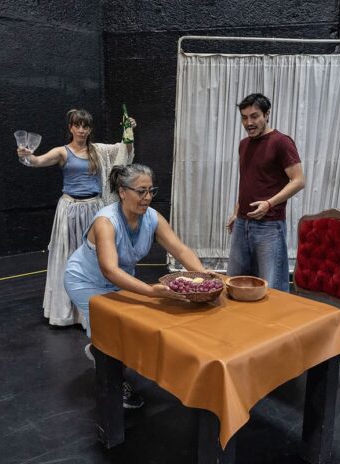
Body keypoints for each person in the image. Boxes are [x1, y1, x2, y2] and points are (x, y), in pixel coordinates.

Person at [63, 163, 209, 408]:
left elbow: (181, 250)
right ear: (122, 192)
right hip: (85, 281)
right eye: (141, 191)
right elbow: (110, 269)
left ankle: (102, 352)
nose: (148, 197)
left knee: (129, 327)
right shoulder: (106, 222)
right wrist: (151, 291)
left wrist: (204, 277)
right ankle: (113, 380)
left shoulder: (152, 218)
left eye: (151, 191)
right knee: (112, 327)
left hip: (121, 279)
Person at [17, 109, 135, 329]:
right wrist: (26, 155)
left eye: (85, 126)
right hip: (70, 212)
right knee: (69, 257)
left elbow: (124, 152)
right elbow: (37, 161)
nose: (81, 130)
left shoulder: (98, 150)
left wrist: (129, 131)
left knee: (95, 258)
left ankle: (93, 310)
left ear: (89, 129)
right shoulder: (62, 152)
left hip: (94, 209)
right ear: (70, 128)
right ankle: (68, 311)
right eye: (77, 125)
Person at [226, 93, 305, 291]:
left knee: (272, 287)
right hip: (242, 223)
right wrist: (237, 212)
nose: (249, 123)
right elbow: (247, 182)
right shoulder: (244, 145)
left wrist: (269, 204)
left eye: (254, 116)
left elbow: (299, 180)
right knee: (235, 283)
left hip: (269, 225)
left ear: (267, 114)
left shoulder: (281, 142)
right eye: (244, 118)